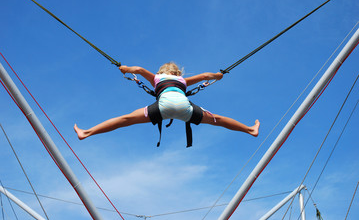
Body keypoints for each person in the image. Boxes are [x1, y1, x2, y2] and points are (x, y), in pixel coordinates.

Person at [74, 62, 260, 144]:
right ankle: (250, 129)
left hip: (162, 108)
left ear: (162, 72)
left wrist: (125, 69)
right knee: (218, 119)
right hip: (185, 109)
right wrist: (217, 76)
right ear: (178, 74)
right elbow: (205, 76)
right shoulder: (184, 81)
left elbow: (137, 69)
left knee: (126, 119)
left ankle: (87, 132)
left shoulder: (156, 77)